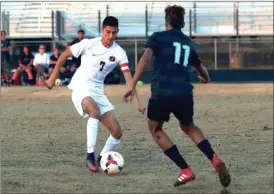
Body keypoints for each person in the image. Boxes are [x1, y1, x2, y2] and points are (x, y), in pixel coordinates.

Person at [123, 5, 231, 188]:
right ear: (182, 23)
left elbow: (145, 58)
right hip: (184, 92)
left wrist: (132, 85)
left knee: (155, 129)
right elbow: (200, 68)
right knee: (189, 127)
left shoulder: (157, 38)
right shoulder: (188, 42)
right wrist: (205, 77)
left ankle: (185, 169)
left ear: (166, 22)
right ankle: (214, 159)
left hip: (162, 91)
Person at [45, 16, 146, 172]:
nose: (110, 36)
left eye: (114, 33)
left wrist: (137, 102)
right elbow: (65, 55)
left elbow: (129, 79)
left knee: (117, 132)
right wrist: (54, 75)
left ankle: (102, 158)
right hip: (81, 86)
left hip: (98, 90)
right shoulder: (88, 44)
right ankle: (90, 156)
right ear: (102, 31)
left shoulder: (119, 53)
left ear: (117, 32)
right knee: (94, 111)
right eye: (107, 32)